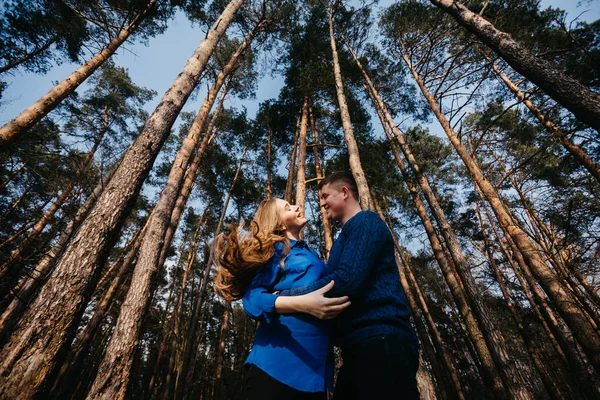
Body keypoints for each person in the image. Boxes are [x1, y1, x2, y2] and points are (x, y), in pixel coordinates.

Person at [280, 171, 420, 400]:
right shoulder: (342, 240)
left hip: (382, 341)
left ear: (345, 192)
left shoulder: (365, 222)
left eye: (326, 195)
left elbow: (345, 282)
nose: (322, 203)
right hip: (358, 348)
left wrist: (287, 298)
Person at [214, 198, 350, 400]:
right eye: (288, 207)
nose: (297, 207)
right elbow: (252, 302)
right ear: (278, 223)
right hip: (275, 369)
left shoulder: (311, 253)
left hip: (315, 377)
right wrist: (301, 303)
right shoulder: (276, 251)